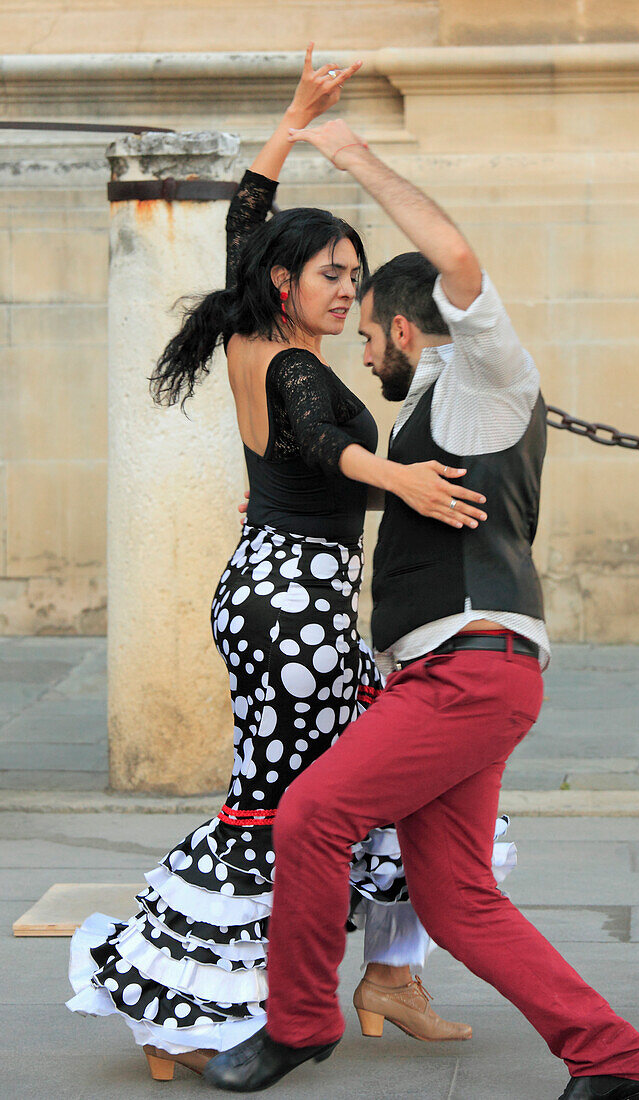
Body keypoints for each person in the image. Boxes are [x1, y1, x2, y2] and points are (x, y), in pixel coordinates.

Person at [66, 47, 502, 1082]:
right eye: (332, 275)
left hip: (263, 586)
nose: (348, 291)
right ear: (284, 282)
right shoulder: (295, 364)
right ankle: (220, 997)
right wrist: (397, 482)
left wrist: (295, 116)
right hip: (295, 601)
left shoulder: (245, 337)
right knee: (328, 798)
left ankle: (280, 991)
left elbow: (241, 219)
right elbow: (320, 441)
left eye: (354, 276)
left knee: (275, 794)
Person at [204, 120, 639, 1099]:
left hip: (466, 664)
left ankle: (297, 1023)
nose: (362, 354)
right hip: (463, 669)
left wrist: (357, 159)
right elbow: (405, 487)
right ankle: (613, 1060)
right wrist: (312, 497)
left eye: (366, 334)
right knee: (455, 898)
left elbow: (454, 259)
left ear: (403, 327)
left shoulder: (484, 378)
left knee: (314, 814)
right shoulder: (432, 410)